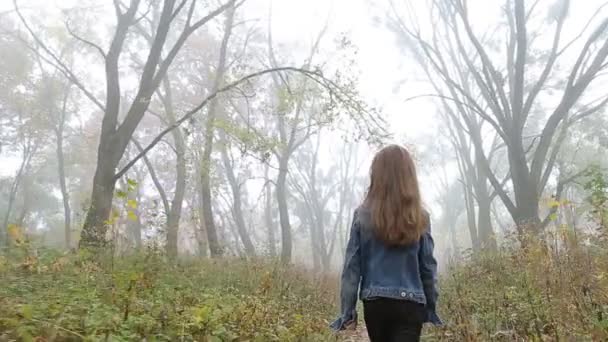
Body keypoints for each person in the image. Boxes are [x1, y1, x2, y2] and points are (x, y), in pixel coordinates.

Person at [330, 144, 442, 342]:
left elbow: (351, 269)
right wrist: (430, 307)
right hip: (410, 304)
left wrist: (347, 311)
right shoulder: (419, 217)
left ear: (377, 177)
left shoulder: (362, 215)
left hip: (375, 304)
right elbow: (428, 267)